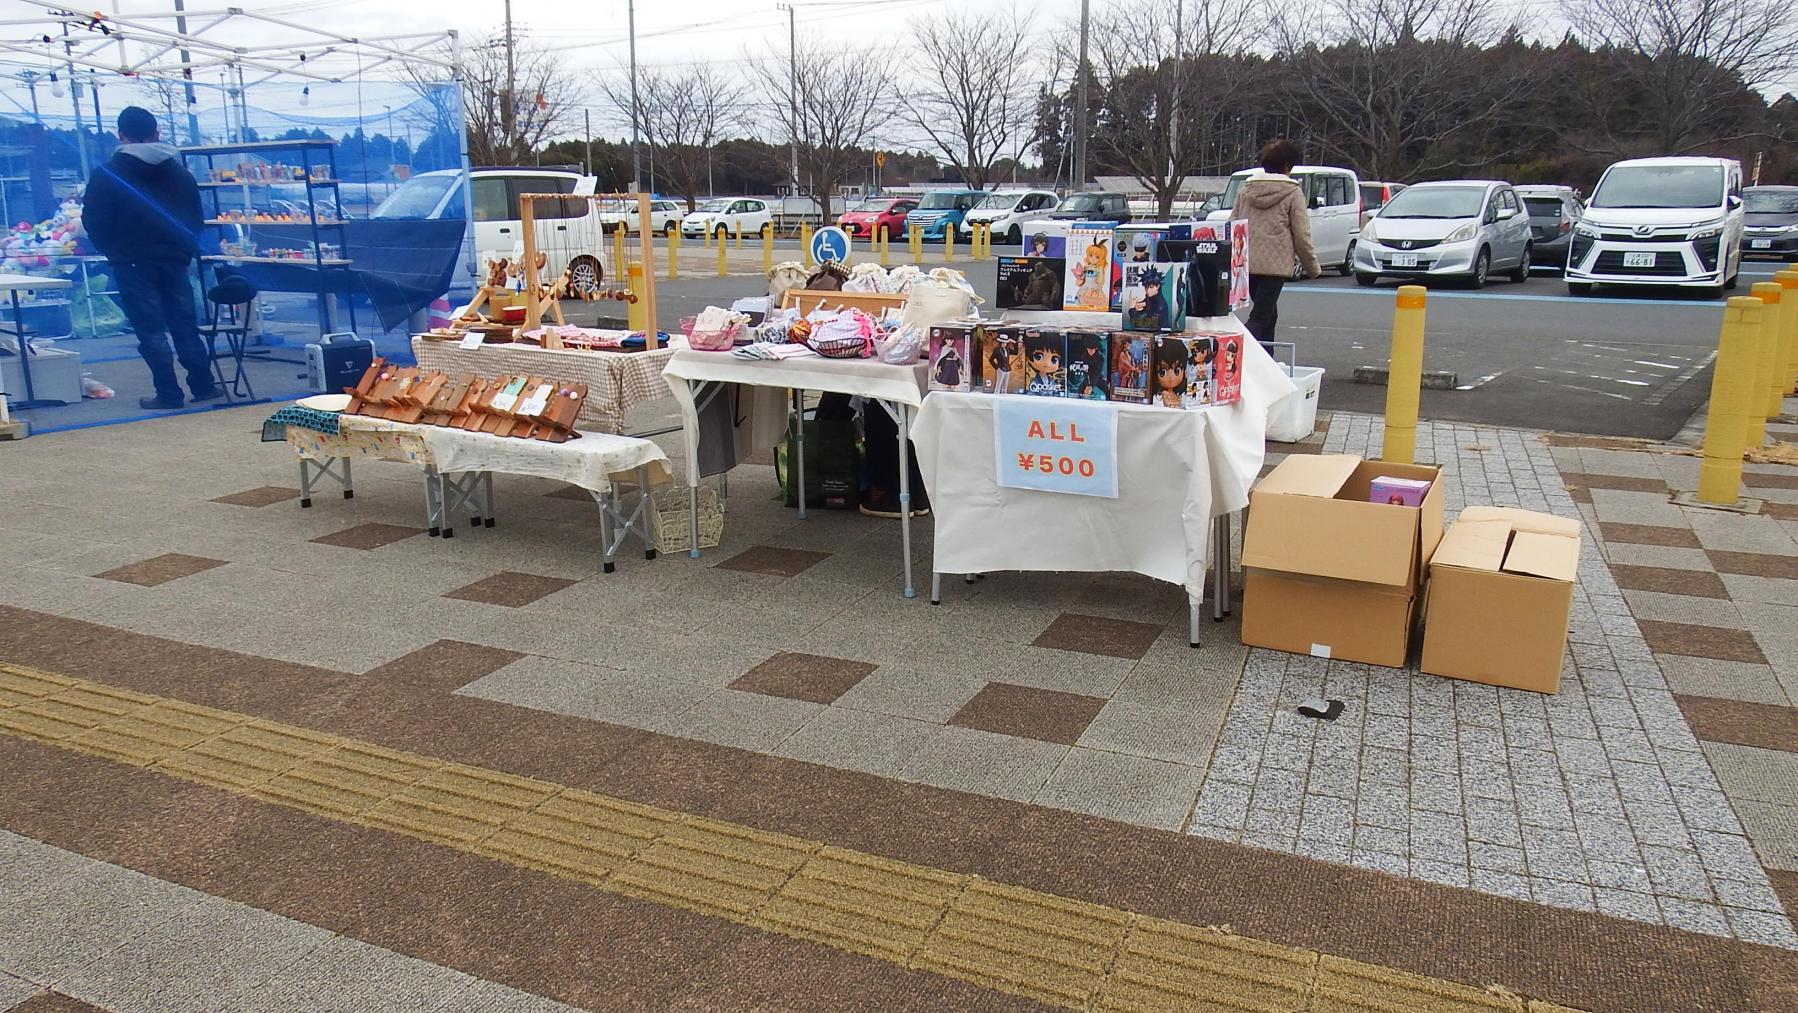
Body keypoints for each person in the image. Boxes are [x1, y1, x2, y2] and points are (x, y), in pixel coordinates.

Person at [82, 106, 220, 410]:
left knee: (151, 329)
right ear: (156, 133)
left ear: (121, 136)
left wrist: (113, 250)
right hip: (175, 258)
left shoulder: (107, 174)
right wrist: (183, 248)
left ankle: (169, 394)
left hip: (131, 262)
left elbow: (93, 220)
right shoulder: (180, 173)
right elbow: (197, 216)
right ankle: (204, 385)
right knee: (184, 324)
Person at [1230, 138, 1320, 345]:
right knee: (1260, 316)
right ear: (1287, 166)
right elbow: (1301, 234)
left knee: (1269, 315)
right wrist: (1312, 267)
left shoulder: (1246, 190)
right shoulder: (1293, 192)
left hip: (1247, 263)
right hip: (1275, 266)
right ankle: (1234, 353)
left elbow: (1233, 224)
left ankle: (1267, 361)